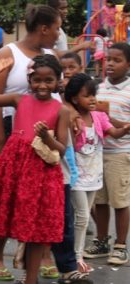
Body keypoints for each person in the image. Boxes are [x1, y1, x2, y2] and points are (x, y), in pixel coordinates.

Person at [0, 54, 70, 284]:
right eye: (36, 80)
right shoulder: (19, 100)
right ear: (29, 80)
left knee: (36, 231)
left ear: (58, 81)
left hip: (41, 174)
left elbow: (62, 149)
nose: (42, 85)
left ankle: (31, 279)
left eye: (49, 81)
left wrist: (47, 137)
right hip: (13, 169)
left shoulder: (62, 110)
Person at [0, 5, 64, 283]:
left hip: (45, 141)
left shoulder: (50, 56)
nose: (58, 33)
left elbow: (58, 99)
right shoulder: (9, 53)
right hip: (14, 134)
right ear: (43, 27)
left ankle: (33, 267)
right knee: (3, 208)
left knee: (35, 211)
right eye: (56, 27)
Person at [64, 73, 130, 273]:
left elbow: (114, 132)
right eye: (87, 95)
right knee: (82, 216)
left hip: (94, 176)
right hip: (75, 176)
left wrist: (126, 128)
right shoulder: (69, 117)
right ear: (75, 98)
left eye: (94, 94)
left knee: (82, 216)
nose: (93, 99)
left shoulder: (98, 116)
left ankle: (76, 255)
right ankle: (76, 258)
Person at [84, 42, 130, 266]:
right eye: (108, 60)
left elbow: (122, 124)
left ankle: (121, 246)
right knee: (99, 201)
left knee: (119, 200)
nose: (110, 64)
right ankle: (101, 241)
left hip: (121, 153)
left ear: (128, 64)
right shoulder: (99, 88)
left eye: (117, 60)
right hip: (97, 152)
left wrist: (110, 117)